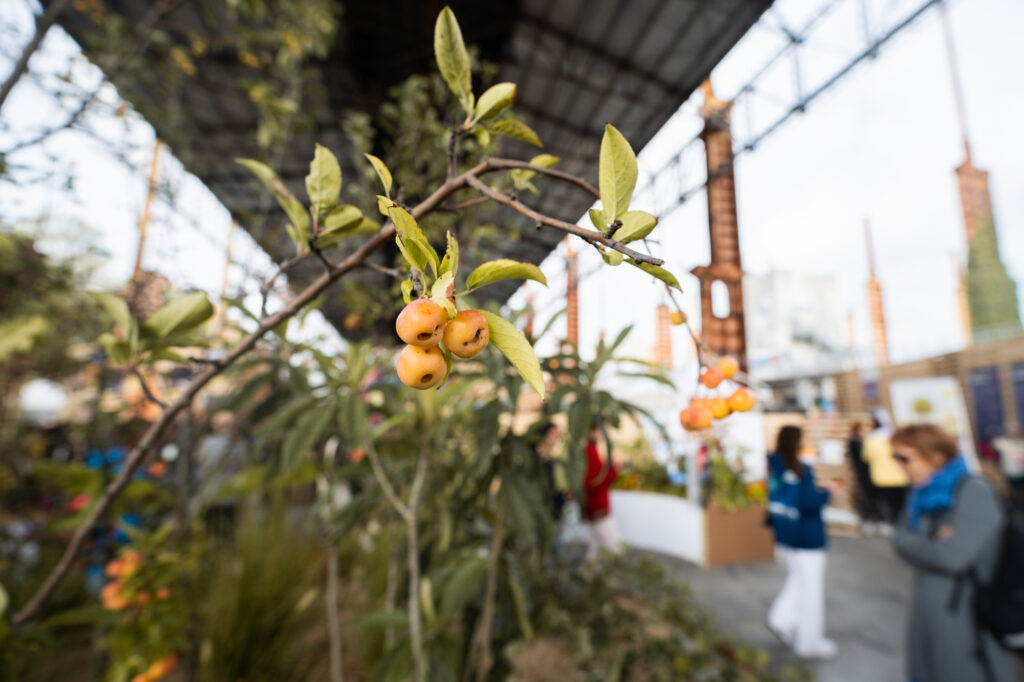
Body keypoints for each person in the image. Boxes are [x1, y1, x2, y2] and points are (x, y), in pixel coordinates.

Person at [891, 423, 1022, 682]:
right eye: (895, 457)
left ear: (935, 457)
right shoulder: (919, 494)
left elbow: (951, 557)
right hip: (931, 612)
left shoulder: (972, 491)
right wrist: (927, 544)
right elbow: (899, 540)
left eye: (904, 458)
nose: (898, 465)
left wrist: (913, 543)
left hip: (966, 618)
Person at [766, 425, 837, 659]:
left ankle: (780, 619)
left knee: (798, 580)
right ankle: (809, 642)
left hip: (785, 535)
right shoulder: (801, 469)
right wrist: (828, 491)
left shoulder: (775, 466)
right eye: (803, 436)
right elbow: (809, 502)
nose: (806, 439)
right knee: (810, 590)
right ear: (796, 441)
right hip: (807, 537)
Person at [862, 409, 908, 535]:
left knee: (880, 501)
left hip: (879, 476)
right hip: (898, 476)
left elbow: (866, 457)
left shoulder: (871, 440)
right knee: (896, 502)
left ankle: (883, 521)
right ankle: (898, 522)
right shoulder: (895, 438)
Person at [583, 422, 620, 563]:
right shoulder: (589, 450)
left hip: (596, 507)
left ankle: (589, 580)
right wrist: (613, 471)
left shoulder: (591, 449)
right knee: (615, 549)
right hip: (598, 508)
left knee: (594, 552)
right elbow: (592, 484)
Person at [847, 421, 880, 533]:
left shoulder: (869, 441)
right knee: (866, 496)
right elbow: (858, 457)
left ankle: (876, 518)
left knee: (875, 496)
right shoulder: (855, 442)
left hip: (873, 471)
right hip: (863, 472)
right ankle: (868, 519)